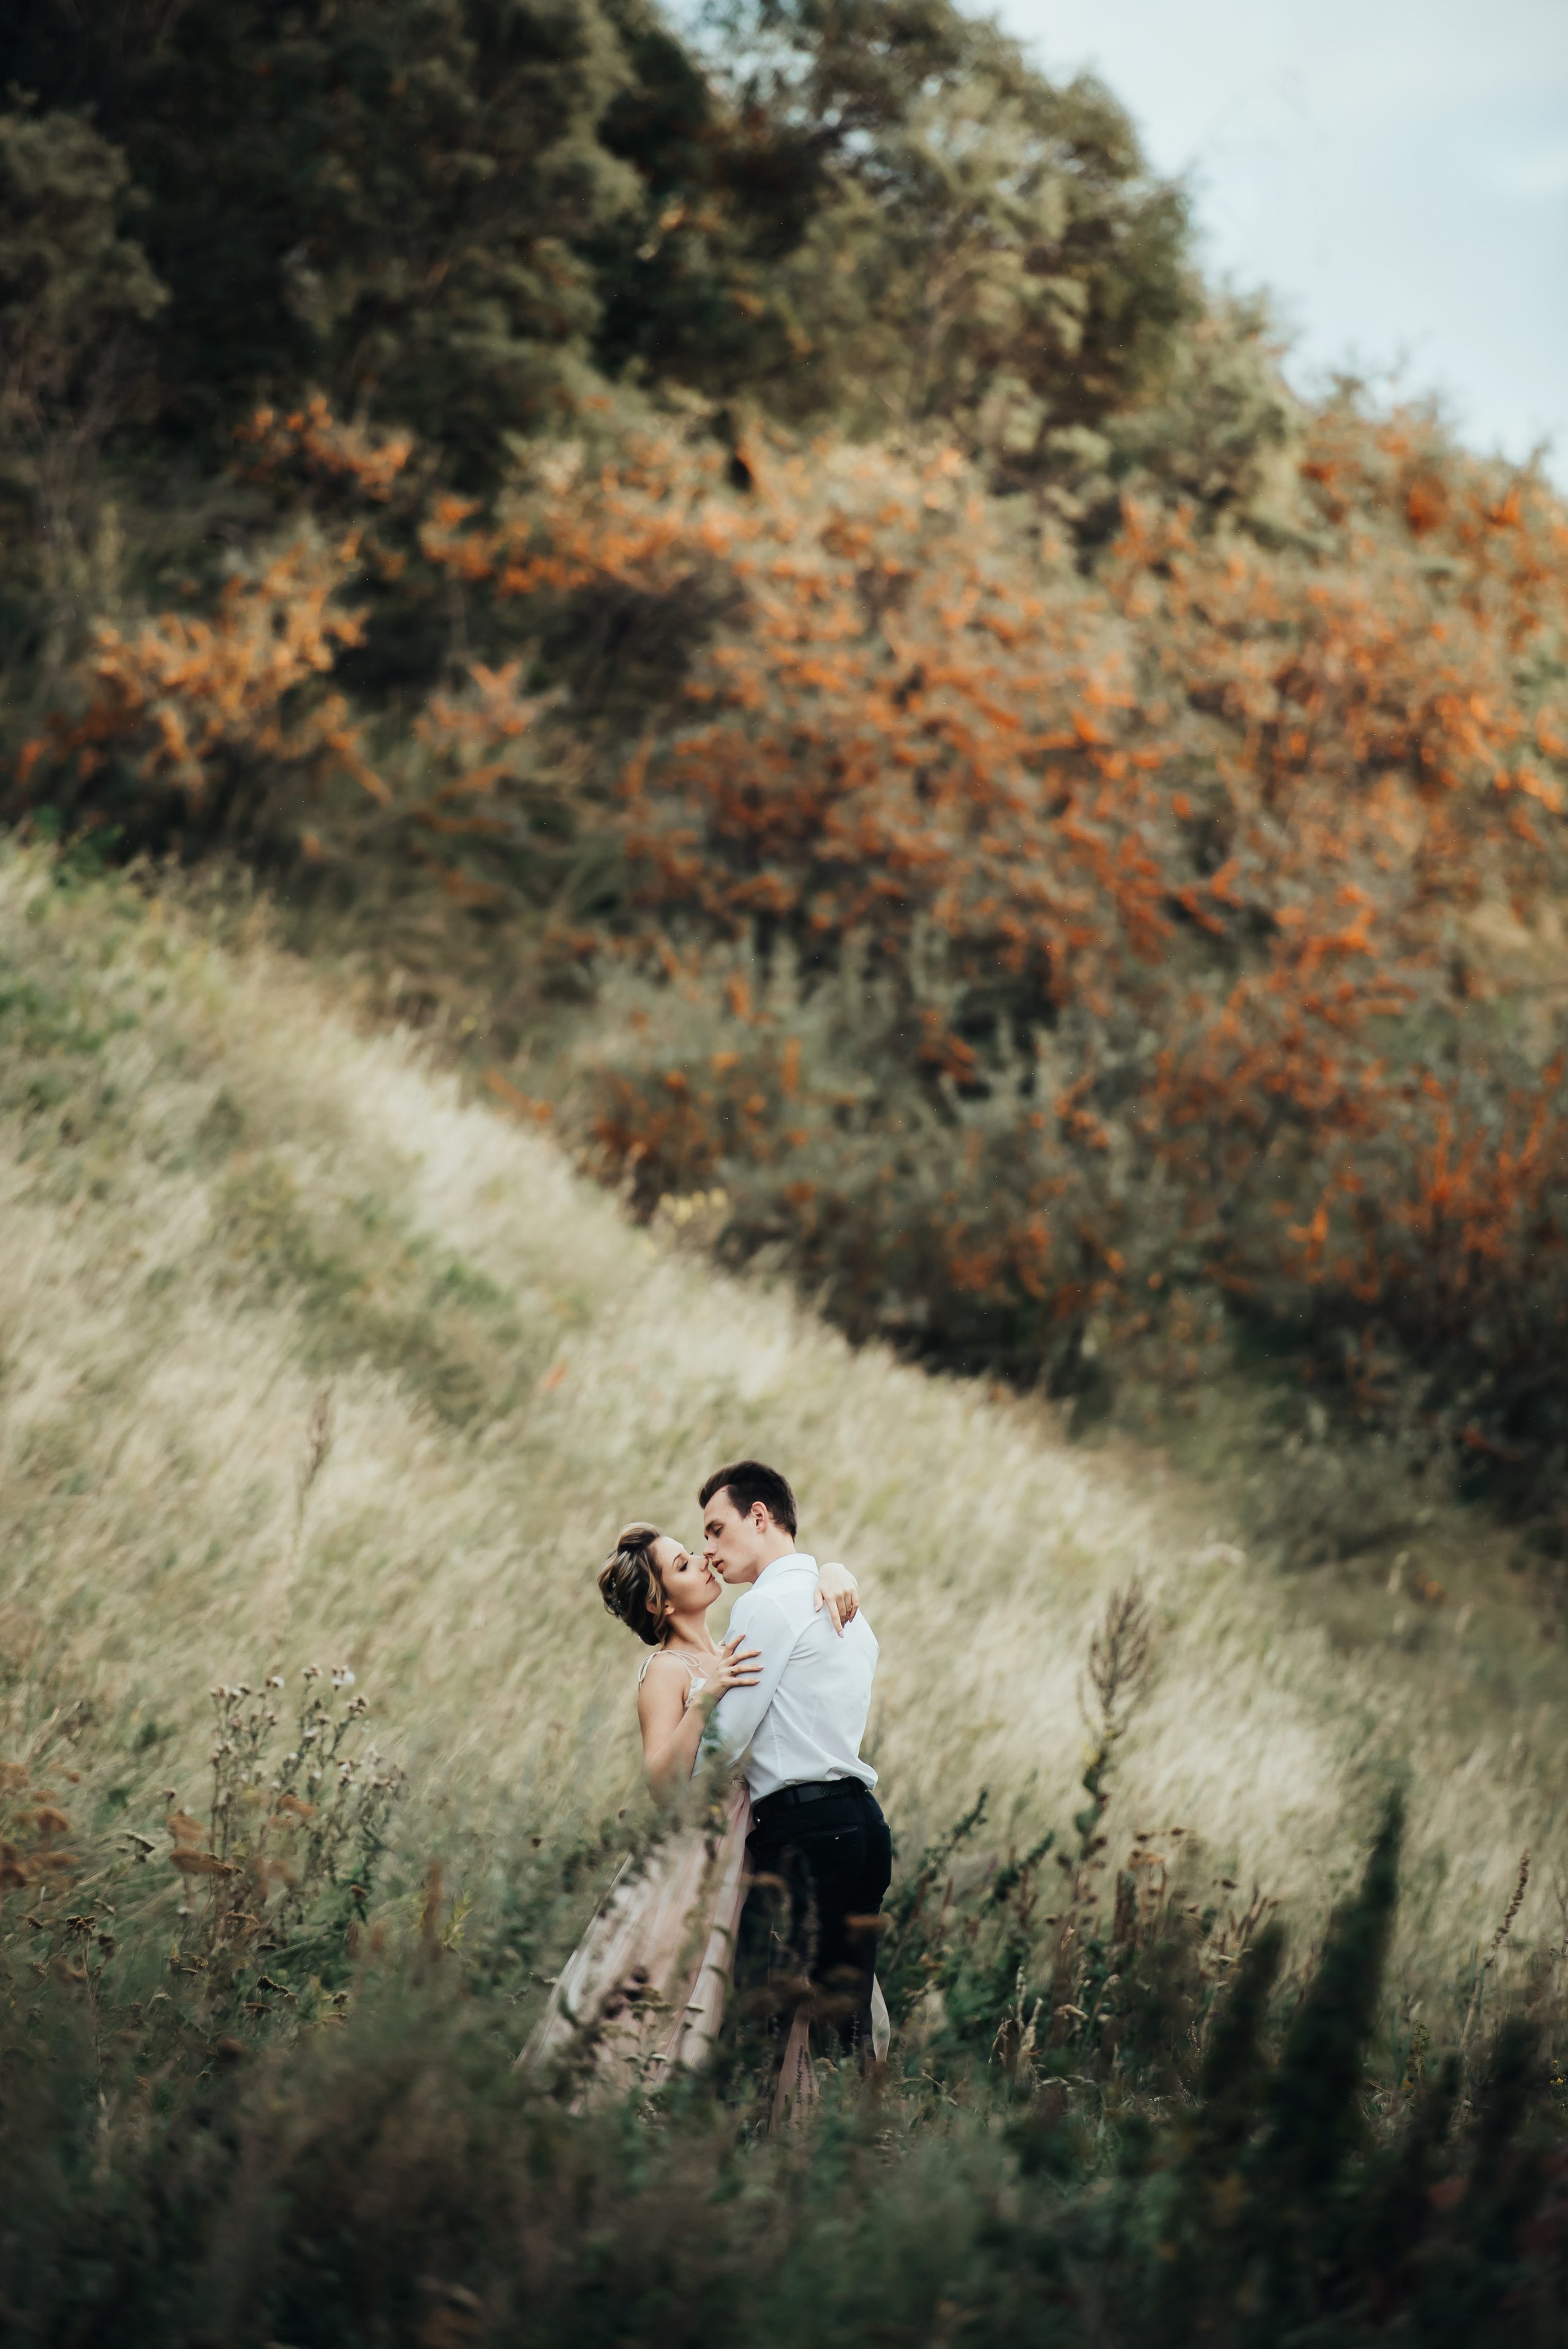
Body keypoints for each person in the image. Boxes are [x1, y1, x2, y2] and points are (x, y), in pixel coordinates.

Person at [520, 1522, 860, 2092]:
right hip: (699, 1859)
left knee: (762, 1992)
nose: (704, 1561)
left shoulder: (733, 1646)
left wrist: (831, 1572)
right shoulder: (666, 1671)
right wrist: (704, 1700)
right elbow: (661, 1782)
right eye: (683, 1565)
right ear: (658, 1601)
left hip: (762, 1840)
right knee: (672, 1994)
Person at [700, 1459, 892, 2087]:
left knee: (758, 2001)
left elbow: (725, 1745)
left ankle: (741, 2140)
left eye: (715, 1529)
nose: (708, 1551)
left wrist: (683, 1788)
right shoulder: (850, 1611)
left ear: (759, 1517)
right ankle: (856, 2136)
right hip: (863, 1826)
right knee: (847, 2014)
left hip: (804, 1831)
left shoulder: (765, 1607)